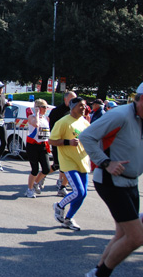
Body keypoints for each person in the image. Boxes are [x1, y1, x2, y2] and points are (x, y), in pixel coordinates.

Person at [80, 82, 143, 277]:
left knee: (122, 234)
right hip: (111, 181)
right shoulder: (120, 114)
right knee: (136, 237)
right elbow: (86, 136)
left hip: (131, 181)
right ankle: (101, 274)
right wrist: (106, 162)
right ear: (140, 99)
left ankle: (96, 272)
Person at [49, 96, 91, 231]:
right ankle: (59, 206)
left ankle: (68, 219)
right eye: (81, 105)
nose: (84, 108)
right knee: (78, 191)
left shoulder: (85, 122)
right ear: (72, 107)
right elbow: (52, 141)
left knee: (83, 194)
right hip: (68, 162)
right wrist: (68, 142)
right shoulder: (63, 122)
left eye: (84, 106)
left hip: (82, 161)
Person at [49, 91, 77, 196]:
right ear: (65, 99)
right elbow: (53, 129)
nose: (73, 102)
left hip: (71, 143)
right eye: (71, 99)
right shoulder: (56, 112)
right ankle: (40, 177)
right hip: (58, 142)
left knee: (68, 165)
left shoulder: (74, 111)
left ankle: (62, 185)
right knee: (57, 165)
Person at [24, 99, 51, 198]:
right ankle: (29, 189)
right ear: (38, 108)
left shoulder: (46, 118)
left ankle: (35, 183)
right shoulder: (31, 117)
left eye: (46, 107)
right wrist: (36, 113)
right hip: (33, 146)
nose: (46, 109)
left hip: (43, 145)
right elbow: (36, 124)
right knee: (35, 169)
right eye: (44, 107)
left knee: (46, 169)